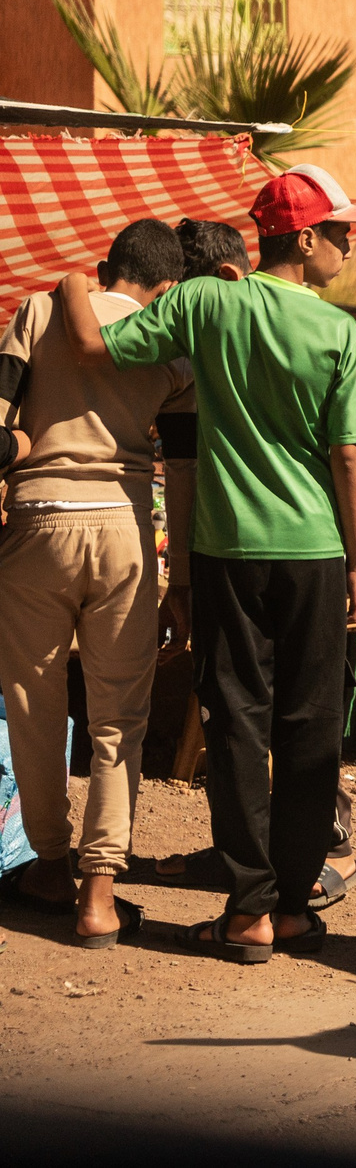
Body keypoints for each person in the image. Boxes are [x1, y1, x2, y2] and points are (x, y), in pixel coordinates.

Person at [57, 167, 356, 961]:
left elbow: (97, 345)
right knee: (310, 726)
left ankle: (250, 911)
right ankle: (295, 902)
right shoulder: (340, 333)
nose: (349, 241)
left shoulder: (206, 303)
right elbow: (349, 456)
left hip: (228, 551)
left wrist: (69, 281)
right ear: (303, 238)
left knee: (236, 723)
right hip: (313, 553)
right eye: (340, 230)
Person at [0, 221, 193, 947]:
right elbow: (183, 466)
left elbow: (0, 417)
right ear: (167, 288)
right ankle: (100, 894)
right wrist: (185, 575)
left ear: (107, 265)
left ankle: (50, 866)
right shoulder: (171, 346)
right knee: (119, 721)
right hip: (123, 531)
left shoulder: (40, 309)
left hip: (34, 526)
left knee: (34, 710)